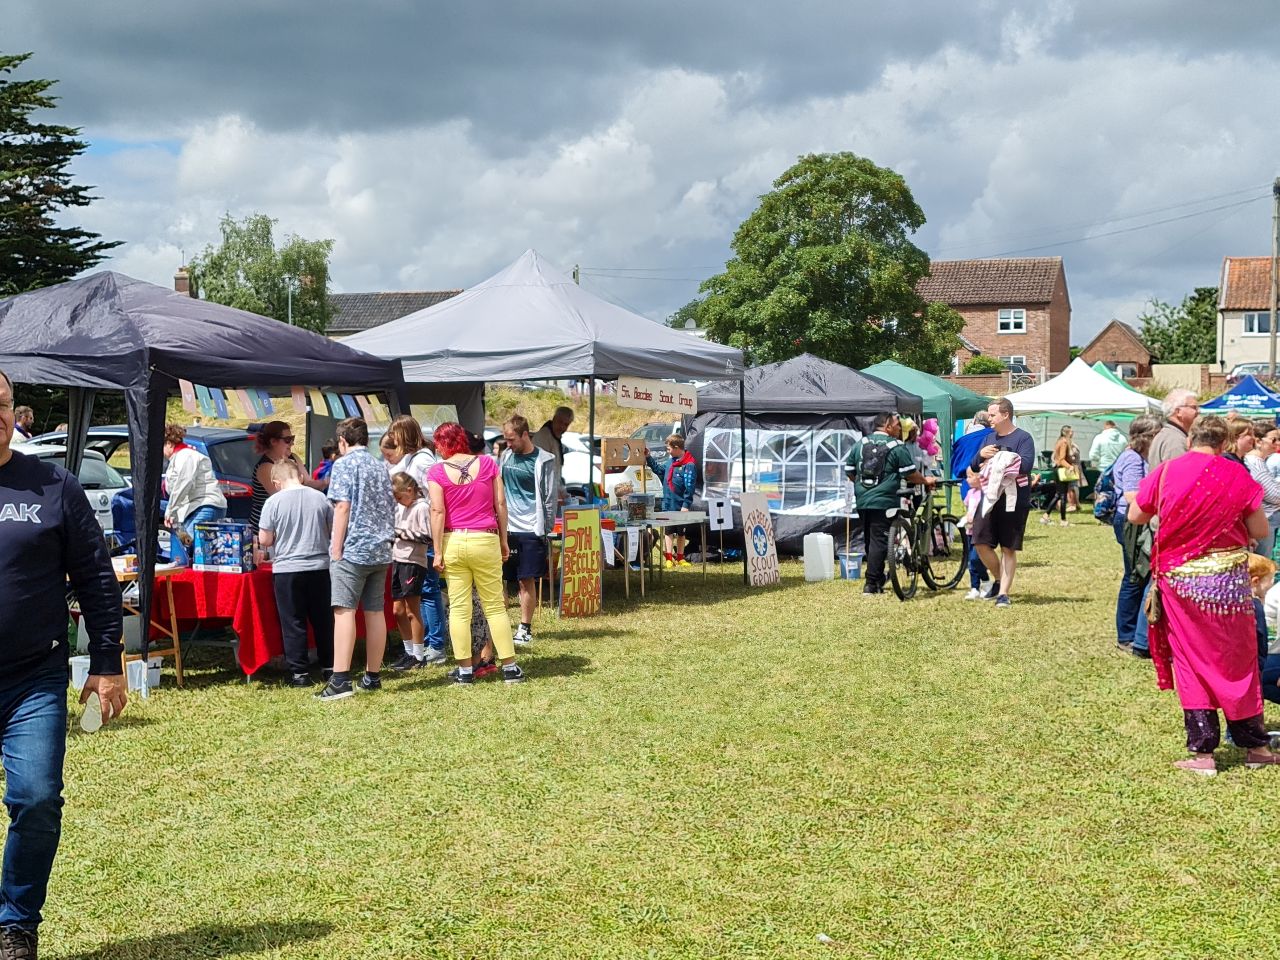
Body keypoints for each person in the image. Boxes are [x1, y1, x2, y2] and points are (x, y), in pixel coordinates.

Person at [0, 368, 125, 958]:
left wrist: (107, 661)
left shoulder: (54, 485)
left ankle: (16, 922)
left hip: (33, 678)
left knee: (36, 797)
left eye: (2, 405)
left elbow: (97, 578)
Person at [1127, 414, 1280, 775]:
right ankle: (1255, 747)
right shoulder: (1237, 474)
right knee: (1238, 661)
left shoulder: (1165, 472)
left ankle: (1203, 755)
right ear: (1224, 443)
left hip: (1181, 586)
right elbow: (1258, 527)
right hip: (1229, 586)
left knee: (1191, 662)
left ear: (1190, 436)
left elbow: (1136, 515)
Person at [427, 422, 524, 685]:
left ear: (442, 444)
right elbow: (500, 503)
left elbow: (437, 511)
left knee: (459, 608)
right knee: (494, 606)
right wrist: (504, 540)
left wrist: (437, 551)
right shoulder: (489, 464)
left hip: (453, 540)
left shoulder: (437, 471)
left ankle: (465, 671)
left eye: (437, 444)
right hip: (485, 539)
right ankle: (510, 667)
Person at [316, 417, 396, 702]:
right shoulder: (379, 465)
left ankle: (340, 679)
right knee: (375, 612)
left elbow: (342, 507)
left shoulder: (343, 465)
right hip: (381, 549)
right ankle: (372, 676)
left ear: (342, 441)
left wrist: (335, 548)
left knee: (344, 611)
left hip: (353, 549)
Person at [1131, 390, 1203, 659]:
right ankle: (1144, 640)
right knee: (1162, 581)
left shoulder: (1167, 435)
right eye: (1194, 407)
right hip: (1172, 521)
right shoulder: (1174, 441)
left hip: (1164, 519)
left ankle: (1143, 640)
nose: (1198, 412)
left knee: (1158, 579)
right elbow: (1179, 485)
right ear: (1178, 412)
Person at [257, 459, 334, 687]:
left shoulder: (273, 502)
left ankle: (299, 673)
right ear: (299, 476)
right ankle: (330, 666)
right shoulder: (320, 498)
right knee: (323, 620)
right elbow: (331, 530)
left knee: (293, 622)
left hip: (287, 569)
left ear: (276, 482)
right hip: (320, 567)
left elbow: (265, 539)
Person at [379, 416, 447, 667]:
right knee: (413, 598)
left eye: (395, 435)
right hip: (404, 545)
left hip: (421, 537)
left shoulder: (423, 460)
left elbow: (434, 495)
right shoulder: (409, 459)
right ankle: (419, 645)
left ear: (404, 436)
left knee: (428, 592)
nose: (393, 440)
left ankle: (435, 644)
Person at [846, 411, 936, 595]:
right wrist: (926, 481)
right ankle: (871, 584)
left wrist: (863, 486)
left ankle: (877, 578)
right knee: (880, 540)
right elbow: (910, 473)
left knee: (871, 540)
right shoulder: (896, 446)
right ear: (887, 426)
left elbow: (849, 470)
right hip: (884, 500)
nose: (899, 428)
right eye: (897, 425)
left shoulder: (860, 444)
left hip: (863, 499)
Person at [968, 397, 1036, 609]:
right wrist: (981, 455)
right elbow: (973, 465)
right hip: (989, 497)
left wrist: (1002, 459)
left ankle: (1003, 594)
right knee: (979, 540)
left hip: (1013, 500)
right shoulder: (987, 439)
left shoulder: (1023, 438)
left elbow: (1025, 465)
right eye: (989, 414)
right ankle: (998, 579)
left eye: (993, 414)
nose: (989, 419)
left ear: (1005, 415)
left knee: (1008, 547)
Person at [500, 415, 556, 645]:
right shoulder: (505, 456)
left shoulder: (544, 460)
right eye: (506, 440)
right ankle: (501, 625)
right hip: (507, 528)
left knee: (526, 580)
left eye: (511, 439)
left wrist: (544, 529)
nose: (508, 444)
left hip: (531, 528)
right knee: (500, 579)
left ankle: (525, 627)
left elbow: (550, 497)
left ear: (525, 435)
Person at [1112, 415, 1160, 651]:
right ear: (1146, 437)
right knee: (1133, 577)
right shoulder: (1132, 459)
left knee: (1138, 576)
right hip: (1131, 521)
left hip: (1137, 519)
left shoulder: (1139, 457)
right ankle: (1126, 635)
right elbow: (1132, 495)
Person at [389, 472, 433, 672]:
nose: (397, 501)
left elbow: (427, 536)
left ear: (409, 490)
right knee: (397, 610)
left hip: (414, 562)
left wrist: (399, 533)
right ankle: (408, 652)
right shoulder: (400, 507)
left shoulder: (422, 507)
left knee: (411, 610)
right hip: (397, 559)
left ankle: (418, 654)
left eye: (399, 497)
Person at [162, 423, 227, 552]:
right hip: (197, 507)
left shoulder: (186, 456)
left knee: (187, 547)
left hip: (205, 506)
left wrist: (170, 510)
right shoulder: (179, 458)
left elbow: (184, 483)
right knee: (196, 550)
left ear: (169, 443)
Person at [249, 420, 314, 534]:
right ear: (273, 441)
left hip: (287, 525)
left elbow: (309, 483)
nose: (292, 444)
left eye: (292, 439)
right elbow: (281, 498)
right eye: (287, 440)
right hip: (266, 528)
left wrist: (325, 482)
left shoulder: (294, 457)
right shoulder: (265, 467)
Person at [644, 434, 699, 568]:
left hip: (680, 505)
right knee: (668, 531)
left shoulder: (689, 464)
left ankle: (680, 556)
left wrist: (686, 504)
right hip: (668, 504)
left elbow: (690, 487)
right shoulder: (671, 462)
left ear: (676, 447)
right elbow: (659, 470)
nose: (667, 451)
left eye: (668, 449)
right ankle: (669, 557)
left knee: (681, 532)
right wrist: (648, 457)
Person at [1243, 422, 1280, 558]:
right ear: (1258, 441)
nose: (1277, 443)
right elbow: (1274, 495)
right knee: (1262, 564)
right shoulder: (1254, 462)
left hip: (1266, 519)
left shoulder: (1260, 461)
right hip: (1264, 520)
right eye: (1273, 439)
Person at [1040, 426, 1073, 528]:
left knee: (1058, 495)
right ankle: (1063, 520)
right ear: (1067, 432)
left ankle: (1045, 516)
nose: (1072, 433)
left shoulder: (1059, 441)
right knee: (1063, 496)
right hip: (1061, 471)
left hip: (1057, 470)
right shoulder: (1063, 442)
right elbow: (1061, 459)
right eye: (1071, 431)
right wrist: (1070, 466)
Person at [532, 406, 575, 481]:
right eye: (560, 422)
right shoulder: (543, 437)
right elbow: (543, 470)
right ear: (554, 419)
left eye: (566, 424)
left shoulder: (555, 438)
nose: (562, 427)